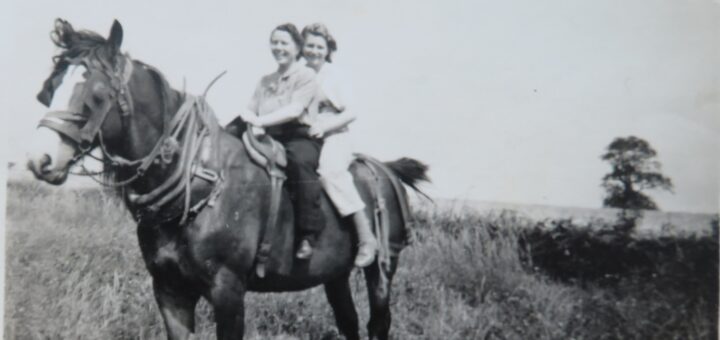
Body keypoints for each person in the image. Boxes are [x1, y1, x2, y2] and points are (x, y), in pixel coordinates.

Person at [239, 23, 323, 260]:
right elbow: (249, 109)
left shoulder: (306, 76)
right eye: (274, 42)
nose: (278, 47)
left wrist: (259, 120)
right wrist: (247, 118)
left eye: (284, 43)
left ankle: (308, 234)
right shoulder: (265, 80)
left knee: (299, 163)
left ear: (297, 48)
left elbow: (295, 110)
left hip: (299, 136)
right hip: (269, 134)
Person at [301, 23, 378, 267]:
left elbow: (351, 112)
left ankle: (366, 237)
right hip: (306, 135)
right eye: (309, 46)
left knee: (330, 172)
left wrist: (325, 127)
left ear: (328, 49)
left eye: (319, 47)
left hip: (334, 134)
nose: (314, 51)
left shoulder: (334, 75)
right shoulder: (299, 74)